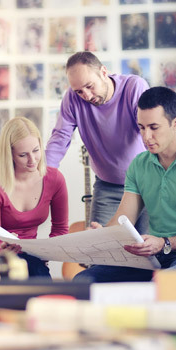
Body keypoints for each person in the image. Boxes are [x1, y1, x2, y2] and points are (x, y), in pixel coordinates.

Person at [74, 87, 176, 283]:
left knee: (162, 283)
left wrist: (164, 243)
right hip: (155, 259)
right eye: (141, 127)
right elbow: (124, 217)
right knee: (85, 280)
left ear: (175, 123)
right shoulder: (139, 165)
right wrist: (102, 236)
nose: (146, 137)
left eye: (154, 127)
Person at [45, 51, 149, 232]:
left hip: (147, 185)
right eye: (79, 91)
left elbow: (149, 132)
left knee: (150, 252)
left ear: (103, 72)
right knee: (99, 250)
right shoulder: (72, 98)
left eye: (89, 86)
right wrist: (42, 177)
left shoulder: (134, 87)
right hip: (108, 187)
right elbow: (60, 137)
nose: (85, 95)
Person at [0, 117, 69, 277]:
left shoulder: (55, 179)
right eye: (23, 155)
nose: (32, 160)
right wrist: (3, 246)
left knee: (41, 281)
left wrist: (47, 252)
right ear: (10, 155)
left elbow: (60, 230)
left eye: (36, 150)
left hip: (28, 255)